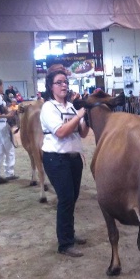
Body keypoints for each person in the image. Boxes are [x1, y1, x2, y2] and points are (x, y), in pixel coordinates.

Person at [40, 68, 89, 257]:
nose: (64, 85)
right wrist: (78, 116)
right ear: (51, 87)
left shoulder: (71, 106)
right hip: (56, 158)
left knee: (73, 197)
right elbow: (60, 132)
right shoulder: (49, 107)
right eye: (59, 82)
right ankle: (65, 244)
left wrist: (86, 119)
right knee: (66, 198)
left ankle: (69, 234)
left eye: (65, 82)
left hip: (74, 159)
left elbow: (83, 133)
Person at [0, 78, 18, 184]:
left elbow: (5, 109)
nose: (3, 87)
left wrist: (12, 111)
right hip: (0, 125)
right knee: (9, 150)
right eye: (2, 85)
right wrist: (5, 115)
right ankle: (9, 173)